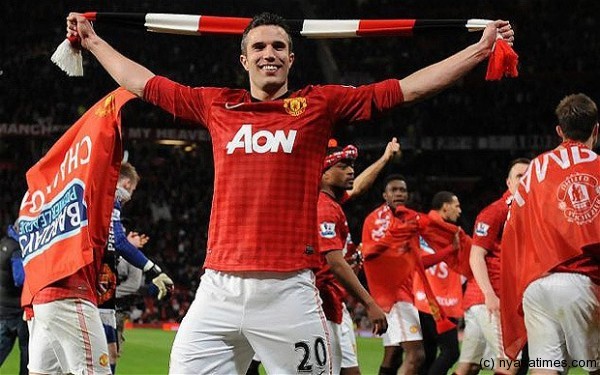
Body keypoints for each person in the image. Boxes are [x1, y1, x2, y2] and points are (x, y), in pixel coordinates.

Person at [66, 10, 514, 374]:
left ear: (291, 58)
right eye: (258, 47)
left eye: (278, 46)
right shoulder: (217, 103)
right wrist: (92, 39)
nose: (269, 54)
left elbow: (406, 89)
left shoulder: (319, 104)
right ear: (244, 60)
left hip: (289, 292)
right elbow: (143, 83)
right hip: (218, 288)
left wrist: (479, 51)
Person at [501, 94, 599, 375]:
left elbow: (512, 231)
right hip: (583, 281)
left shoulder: (533, 172)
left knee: (545, 369)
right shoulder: (598, 167)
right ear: (596, 129)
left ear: (559, 130)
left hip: (537, 287)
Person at [317, 139, 402, 374]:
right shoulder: (323, 208)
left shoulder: (332, 202)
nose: (351, 170)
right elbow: (334, 263)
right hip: (323, 304)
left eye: (351, 165)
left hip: (335, 302)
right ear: (323, 174)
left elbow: (359, 187)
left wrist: (384, 158)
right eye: (342, 166)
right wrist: (370, 303)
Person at [97, 162, 173, 374]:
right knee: (99, 356)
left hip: (105, 297)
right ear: (127, 183)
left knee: (109, 353)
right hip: (99, 296)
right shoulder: (109, 200)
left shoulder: (103, 202)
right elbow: (119, 243)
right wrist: (153, 269)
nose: (130, 195)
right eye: (132, 190)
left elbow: (115, 244)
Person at [458, 158, 530, 375]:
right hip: (490, 299)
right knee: (510, 360)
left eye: (528, 176)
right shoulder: (496, 211)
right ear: (508, 182)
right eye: (519, 176)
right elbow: (476, 256)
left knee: (469, 366)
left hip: (491, 299)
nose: (524, 180)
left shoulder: (530, 213)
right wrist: (490, 294)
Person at [361, 175, 424, 375]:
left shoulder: (414, 218)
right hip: (393, 295)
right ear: (385, 195)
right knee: (416, 355)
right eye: (394, 190)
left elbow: (417, 256)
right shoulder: (375, 220)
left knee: (393, 353)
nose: (399, 194)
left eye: (402, 190)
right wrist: (394, 235)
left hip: (411, 290)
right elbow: (368, 253)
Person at [414, 191, 463, 375]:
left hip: (422, 300)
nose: (460, 210)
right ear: (445, 207)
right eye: (456, 205)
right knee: (451, 352)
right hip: (439, 302)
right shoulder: (445, 233)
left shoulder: (422, 228)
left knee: (428, 356)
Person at [0, 224, 28, 375]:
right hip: (17, 310)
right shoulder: (17, 249)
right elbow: (20, 279)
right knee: (27, 351)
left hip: (3, 308)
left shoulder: (4, 243)